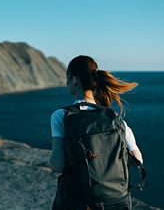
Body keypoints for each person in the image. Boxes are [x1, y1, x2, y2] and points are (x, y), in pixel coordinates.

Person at [49, 55, 143, 210]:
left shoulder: (62, 115)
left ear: (74, 80)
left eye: (67, 79)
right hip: (117, 202)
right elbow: (138, 160)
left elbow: (57, 165)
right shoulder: (115, 118)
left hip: (79, 203)